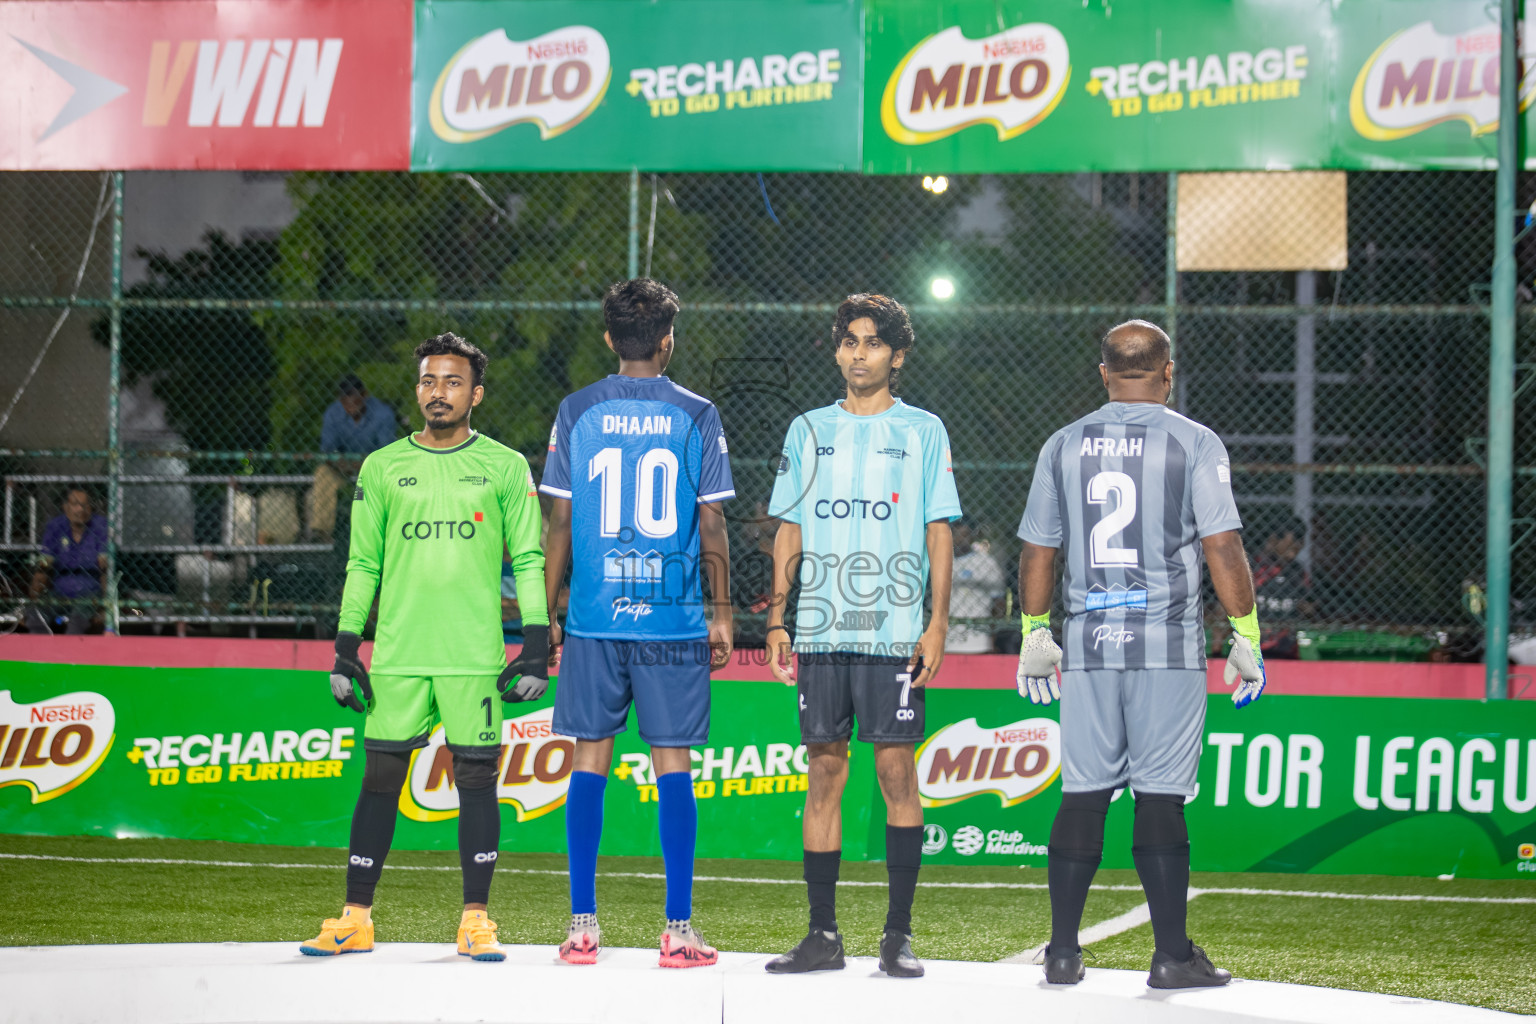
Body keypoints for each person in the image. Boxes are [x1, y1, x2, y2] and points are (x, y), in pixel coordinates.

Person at [1014, 319, 1265, 989]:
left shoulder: (1063, 445)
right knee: (1159, 799)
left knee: (1083, 794)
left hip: (1091, 647)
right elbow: (1222, 546)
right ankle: (1171, 957)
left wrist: (1036, 629)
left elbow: (1039, 549)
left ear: (1103, 373)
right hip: (1166, 648)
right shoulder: (1194, 442)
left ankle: (1063, 953)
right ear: (1168, 371)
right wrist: (1247, 634)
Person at [304, 333, 551, 962]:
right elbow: (362, 564)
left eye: (452, 382)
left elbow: (527, 558)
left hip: (473, 656)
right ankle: (355, 918)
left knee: (475, 781)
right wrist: (344, 646)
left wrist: (535, 643)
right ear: (417, 389)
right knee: (381, 779)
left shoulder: (504, 465)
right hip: (399, 654)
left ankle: (476, 920)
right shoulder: (382, 467)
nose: (438, 393)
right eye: (428, 381)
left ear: (477, 393)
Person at [763, 294, 961, 979]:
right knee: (824, 773)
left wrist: (938, 622)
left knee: (896, 771)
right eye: (849, 340)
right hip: (819, 629)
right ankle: (822, 936)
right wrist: (778, 617)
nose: (858, 352)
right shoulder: (807, 429)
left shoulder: (924, 431)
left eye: (872, 342)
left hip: (895, 633)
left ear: (896, 355)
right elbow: (788, 525)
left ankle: (897, 935)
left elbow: (939, 529)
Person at [539, 278, 734, 968]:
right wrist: (720, 612)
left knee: (588, 762)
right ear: (669, 339)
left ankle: (582, 927)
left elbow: (559, 519)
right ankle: (677, 931)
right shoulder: (697, 414)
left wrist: (545, 612)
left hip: (594, 619)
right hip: (672, 622)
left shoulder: (577, 409)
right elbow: (711, 520)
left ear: (607, 339)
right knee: (671, 765)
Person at [308, 373, 400, 542]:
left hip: (372, 469)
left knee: (389, 477)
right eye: (344, 400)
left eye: (355, 398)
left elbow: (387, 452)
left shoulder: (382, 413)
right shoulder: (333, 413)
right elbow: (327, 451)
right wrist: (341, 463)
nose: (350, 404)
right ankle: (320, 532)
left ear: (364, 395)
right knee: (322, 472)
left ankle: (384, 531)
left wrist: (365, 465)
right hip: (342, 468)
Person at [25, 488, 107, 635]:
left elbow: (105, 569)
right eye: (75, 504)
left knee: (76, 623)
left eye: (85, 505)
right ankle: (41, 656)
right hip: (60, 591)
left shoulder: (101, 526)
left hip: (90, 592)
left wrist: (105, 606)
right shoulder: (55, 526)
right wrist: (34, 599)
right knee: (35, 617)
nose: (80, 509)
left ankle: (71, 657)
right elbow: (44, 566)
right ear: (65, 506)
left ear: (91, 507)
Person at [1252, 515, 1314, 659]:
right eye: (1288, 549)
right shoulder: (1255, 568)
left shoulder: (1297, 572)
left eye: (1296, 549)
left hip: (1286, 646)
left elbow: (1308, 606)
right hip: (1254, 646)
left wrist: (1305, 607)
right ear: (1273, 541)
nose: (1292, 555)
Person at [947, 517, 1006, 653]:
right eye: (956, 535)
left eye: (965, 535)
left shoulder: (986, 562)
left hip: (979, 641)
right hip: (947, 642)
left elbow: (998, 603)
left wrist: (993, 636)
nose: (960, 539)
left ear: (973, 536)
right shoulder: (942, 560)